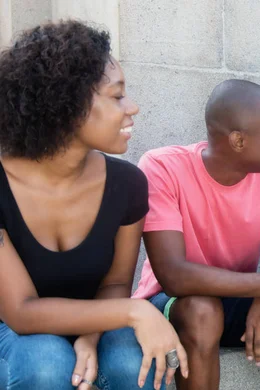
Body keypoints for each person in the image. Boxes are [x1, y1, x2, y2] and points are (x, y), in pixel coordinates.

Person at [0, 21, 187, 390]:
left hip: (100, 316)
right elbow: (21, 312)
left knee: (137, 365)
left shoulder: (127, 184)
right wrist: (135, 311)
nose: (132, 107)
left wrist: (89, 336)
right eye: (116, 96)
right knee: (46, 364)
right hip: (12, 328)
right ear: (65, 103)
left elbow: (116, 283)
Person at [132, 79, 260, 390]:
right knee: (203, 309)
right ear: (238, 141)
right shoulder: (163, 167)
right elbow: (174, 275)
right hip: (175, 303)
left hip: (238, 295)